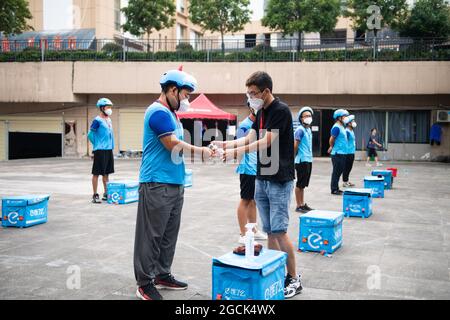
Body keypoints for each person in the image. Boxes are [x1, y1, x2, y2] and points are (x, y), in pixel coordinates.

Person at [218, 71, 302, 299]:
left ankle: (294, 278)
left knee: (280, 232)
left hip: (280, 179)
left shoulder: (280, 111)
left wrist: (234, 152)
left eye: (253, 93)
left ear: (266, 91)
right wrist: (225, 145)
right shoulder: (260, 112)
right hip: (262, 177)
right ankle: (275, 271)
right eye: (248, 93)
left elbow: (266, 141)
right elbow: (248, 138)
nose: (250, 97)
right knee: (270, 232)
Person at [133, 69, 214, 301]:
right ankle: (144, 282)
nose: (187, 100)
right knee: (151, 235)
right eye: (185, 95)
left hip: (174, 182)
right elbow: (172, 144)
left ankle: (162, 274)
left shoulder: (172, 113)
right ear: (172, 90)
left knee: (169, 234)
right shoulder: (158, 112)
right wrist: (201, 151)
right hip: (156, 182)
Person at [235, 104, 267, 244]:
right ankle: (243, 233)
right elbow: (239, 146)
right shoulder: (245, 125)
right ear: (251, 108)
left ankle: (253, 230)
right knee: (245, 199)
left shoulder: (259, 124)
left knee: (253, 200)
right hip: (248, 168)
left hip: (257, 167)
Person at [88, 98, 115, 204]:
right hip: (100, 150)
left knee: (106, 173)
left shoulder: (108, 119)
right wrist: (96, 144)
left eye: (110, 107)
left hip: (108, 150)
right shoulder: (97, 120)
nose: (109, 109)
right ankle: (95, 195)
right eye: (108, 107)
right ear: (102, 108)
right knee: (96, 173)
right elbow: (90, 134)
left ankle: (106, 193)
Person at [293, 107, 314, 213]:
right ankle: (298, 205)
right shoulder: (300, 130)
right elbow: (295, 146)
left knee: (303, 184)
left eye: (309, 116)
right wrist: (293, 158)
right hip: (301, 160)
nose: (308, 117)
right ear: (301, 118)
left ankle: (302, 204)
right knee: (299, 183)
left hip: (308, 159)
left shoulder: (308, 129)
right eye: (306, 116)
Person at [328, 109, 349, 195]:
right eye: (344, 116)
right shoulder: (336, 127)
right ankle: (334, 189)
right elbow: (331, 139)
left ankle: (336, 188)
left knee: (339, 171)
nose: (346, 118)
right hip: (337, 153)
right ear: (339, 118)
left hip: (342, 153)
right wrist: (332, 147)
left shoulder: (342, 126)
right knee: (336, 172)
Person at [343, 115, 356, 187]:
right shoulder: (347, 131)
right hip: (347, 153)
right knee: (346, 167)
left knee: (349, 167)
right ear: (348, 123)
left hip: (352, 152)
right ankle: (345, 182)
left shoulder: (351, 131)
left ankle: (347, 180)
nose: (354, 122)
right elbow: (344, 142)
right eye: (352, 121)